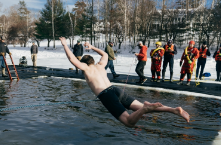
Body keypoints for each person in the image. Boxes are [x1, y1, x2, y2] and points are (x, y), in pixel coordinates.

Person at [59, 37, 189, 127]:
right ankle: (173, 110)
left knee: (128, 122)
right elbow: (104, 55)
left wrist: (65, 44)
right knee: (141, 108)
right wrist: (92, 47)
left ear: (83, 63)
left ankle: (145, 108)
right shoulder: (99, 65)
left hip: (106, 96)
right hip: (116, 90)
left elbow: (72, 58)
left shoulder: (86, 69)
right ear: (93, 60)